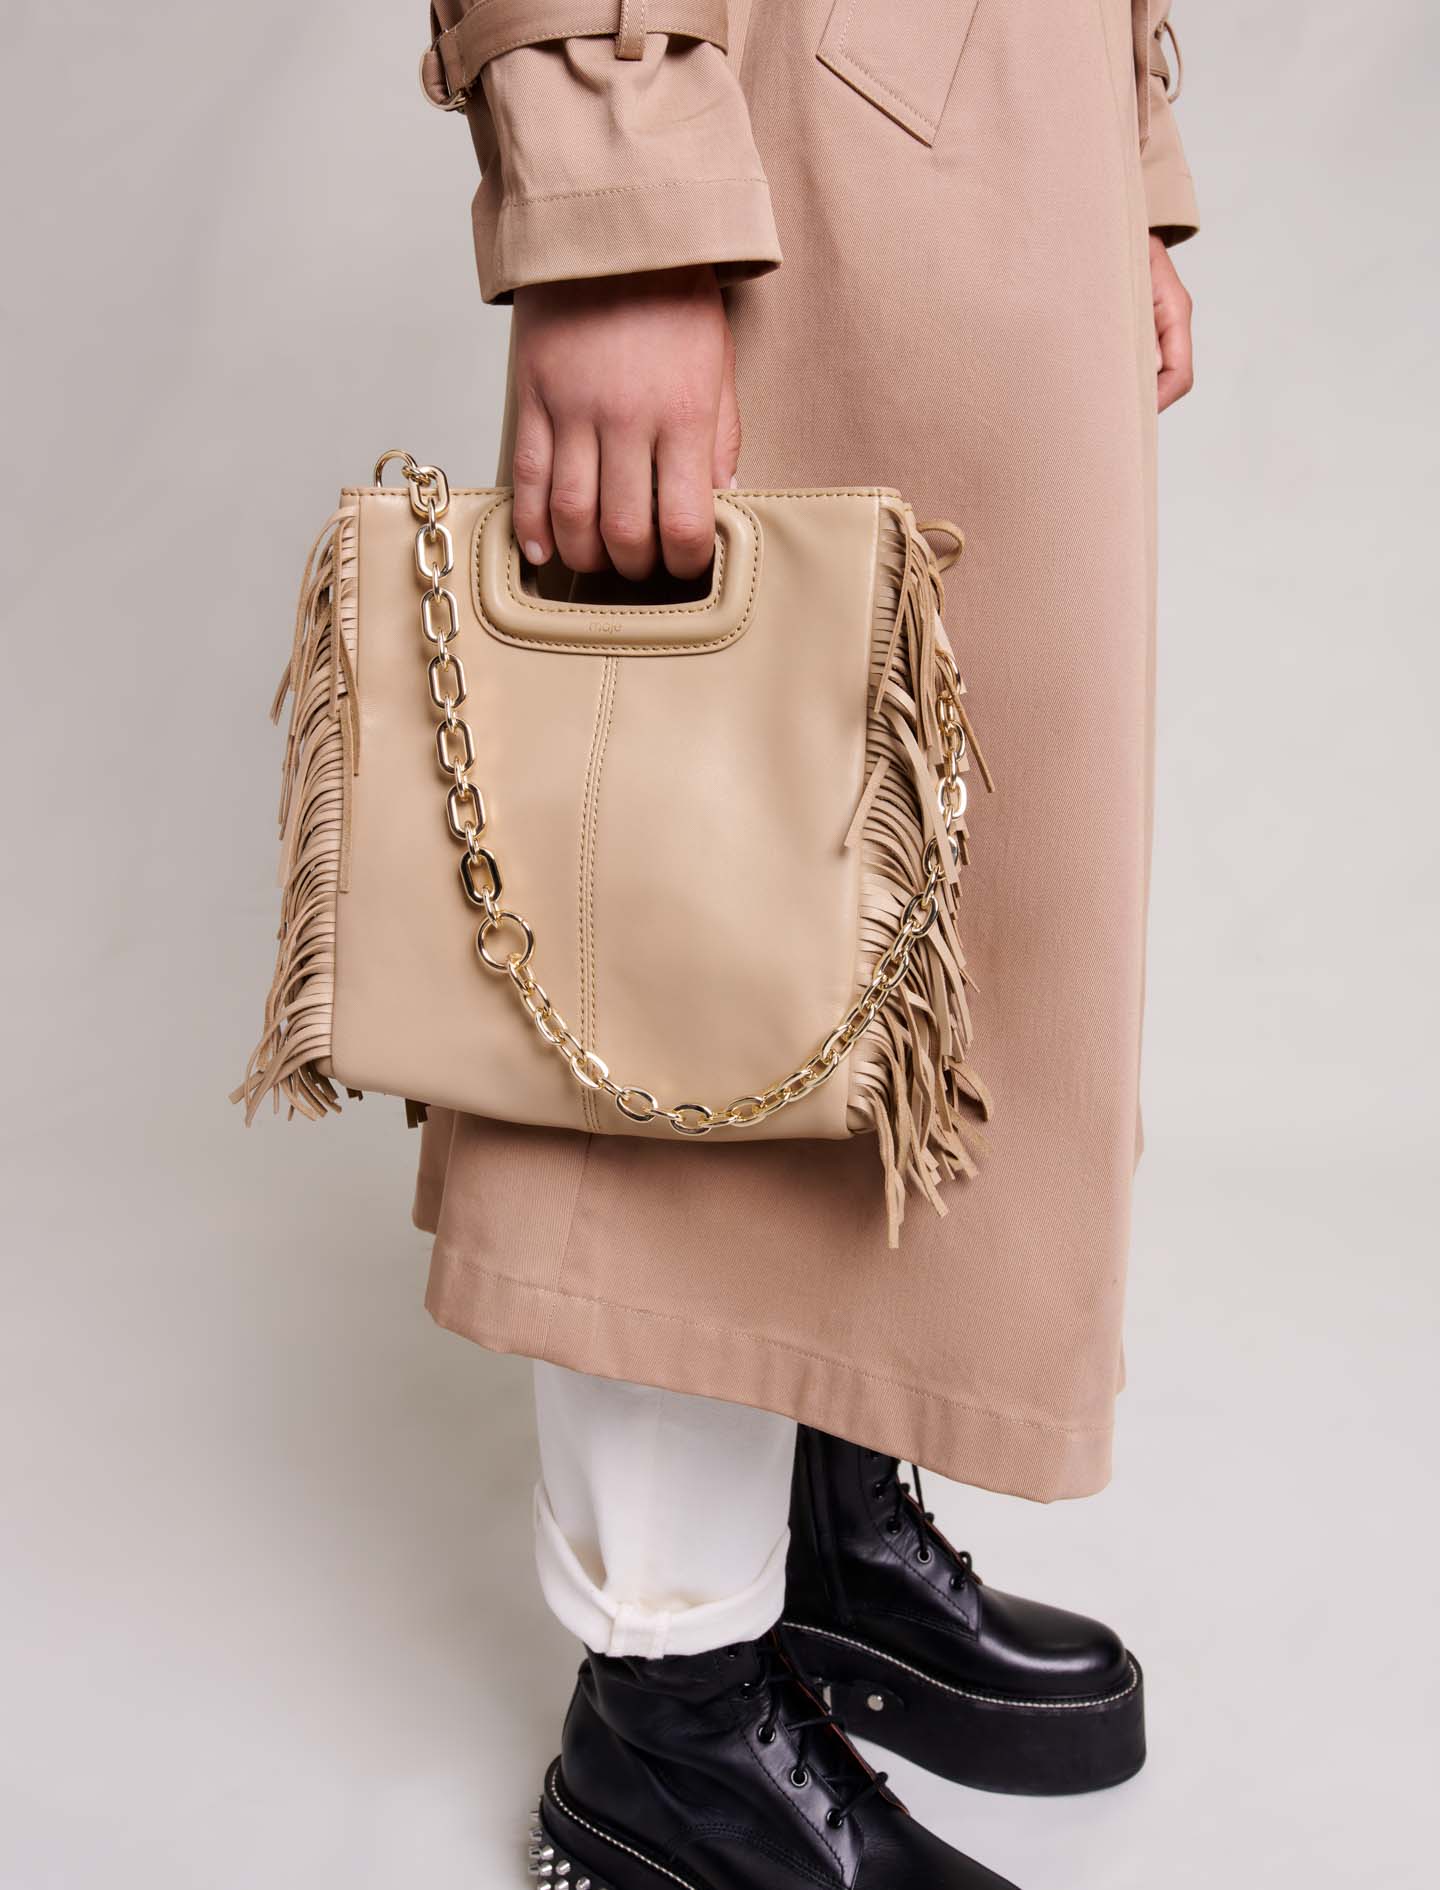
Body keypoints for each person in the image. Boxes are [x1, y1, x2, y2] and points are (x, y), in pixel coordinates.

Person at [412, 4, 1197, 1885]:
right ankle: (669, 1718)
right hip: (765, 127)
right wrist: (615, 196)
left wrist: (1131, 148)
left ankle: (816, 1530)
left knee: (931, 898)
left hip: (1007, 111)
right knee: (696, 920)